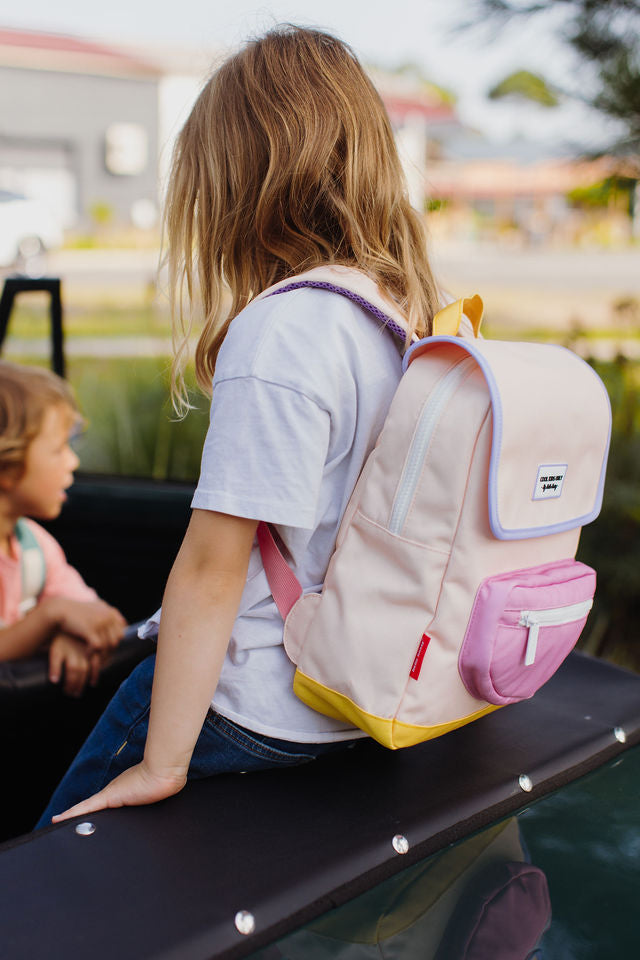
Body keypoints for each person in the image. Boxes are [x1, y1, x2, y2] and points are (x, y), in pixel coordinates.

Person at [38, 24, 441, 826]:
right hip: (353, 696)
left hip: (252, 700)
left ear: (241, 184)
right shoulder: (401, 316)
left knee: (54, 875)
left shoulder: (285, 329)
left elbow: (213, 568)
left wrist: (161, 762)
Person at [0, 361, 126, 696]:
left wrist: (70, 631)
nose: (72, 462)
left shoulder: (35, 548)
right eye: (58, 449)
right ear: (6, 465)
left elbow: (102, 619)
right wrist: (50, 617)